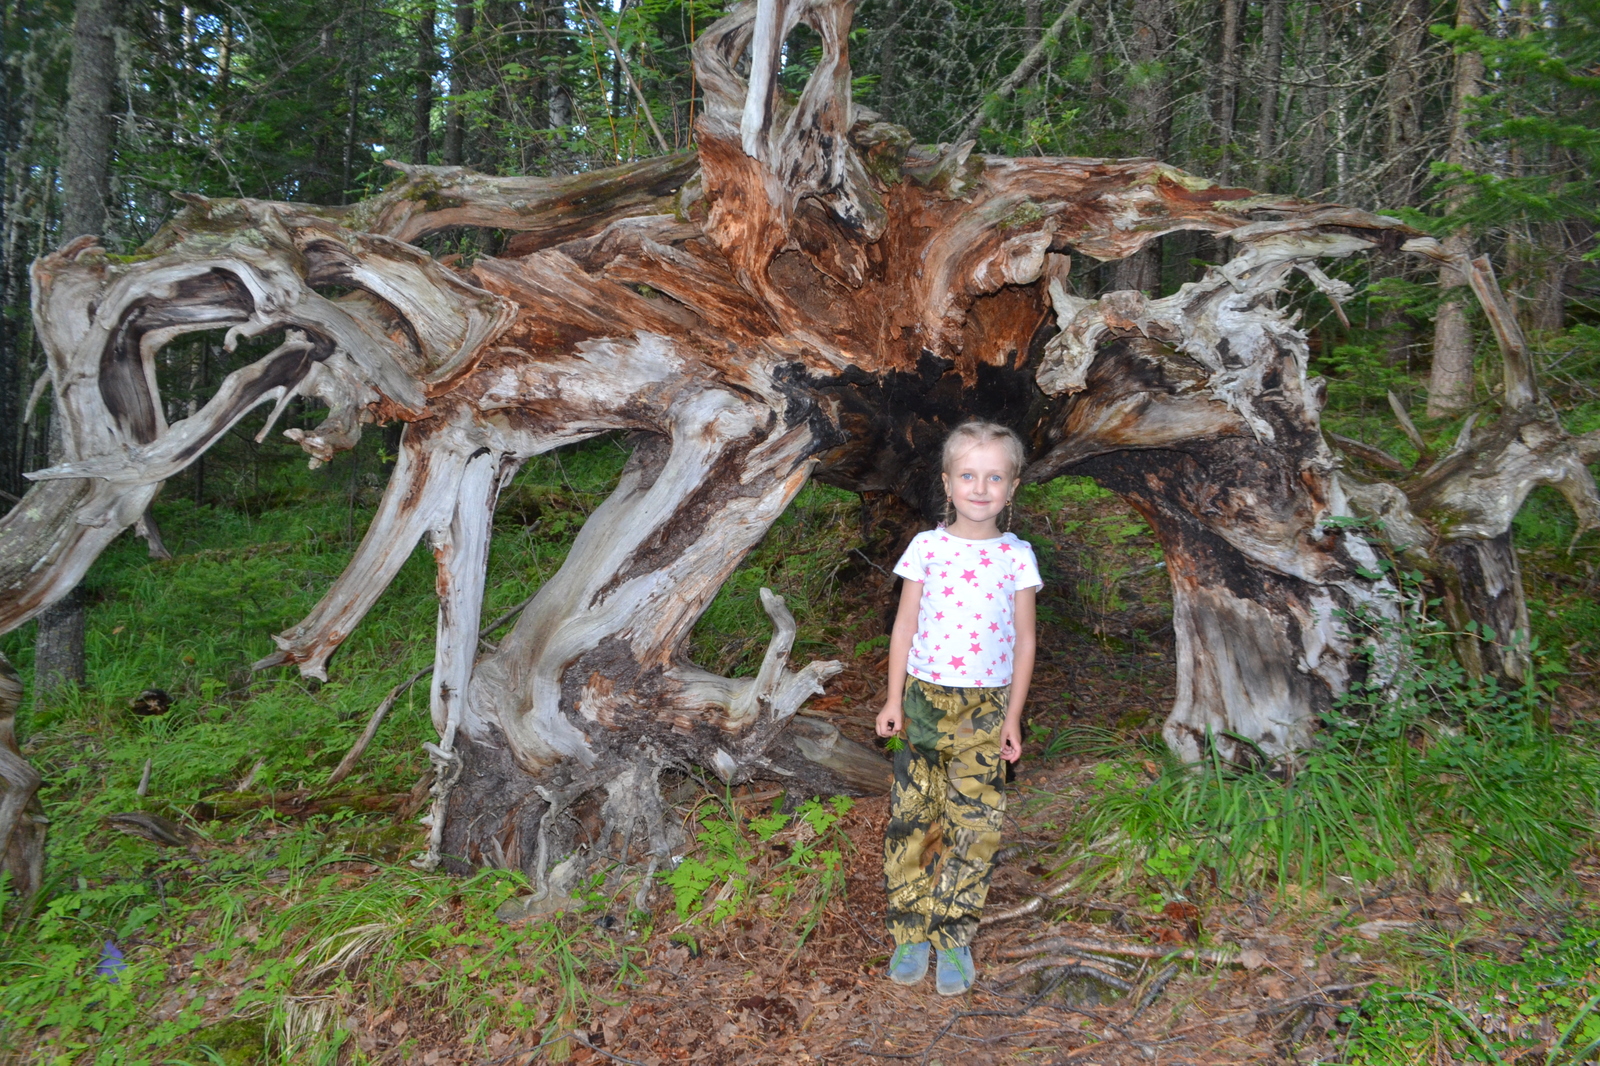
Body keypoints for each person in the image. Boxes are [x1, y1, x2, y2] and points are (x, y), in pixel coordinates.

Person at [875, 420, 1041, 996]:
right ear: (947, 483)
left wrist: (1013, 716)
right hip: (922, 700)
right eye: (968, 475)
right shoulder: (927, 548)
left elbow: (1024, 640)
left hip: (987, 708)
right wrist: (893, 698)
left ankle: (953, 937)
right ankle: (910, 930)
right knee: (914, 819)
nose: (980, 487)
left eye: (994, 476)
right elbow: (904, 624)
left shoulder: (1017, 557)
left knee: (974, 826)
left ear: (1012, 487)